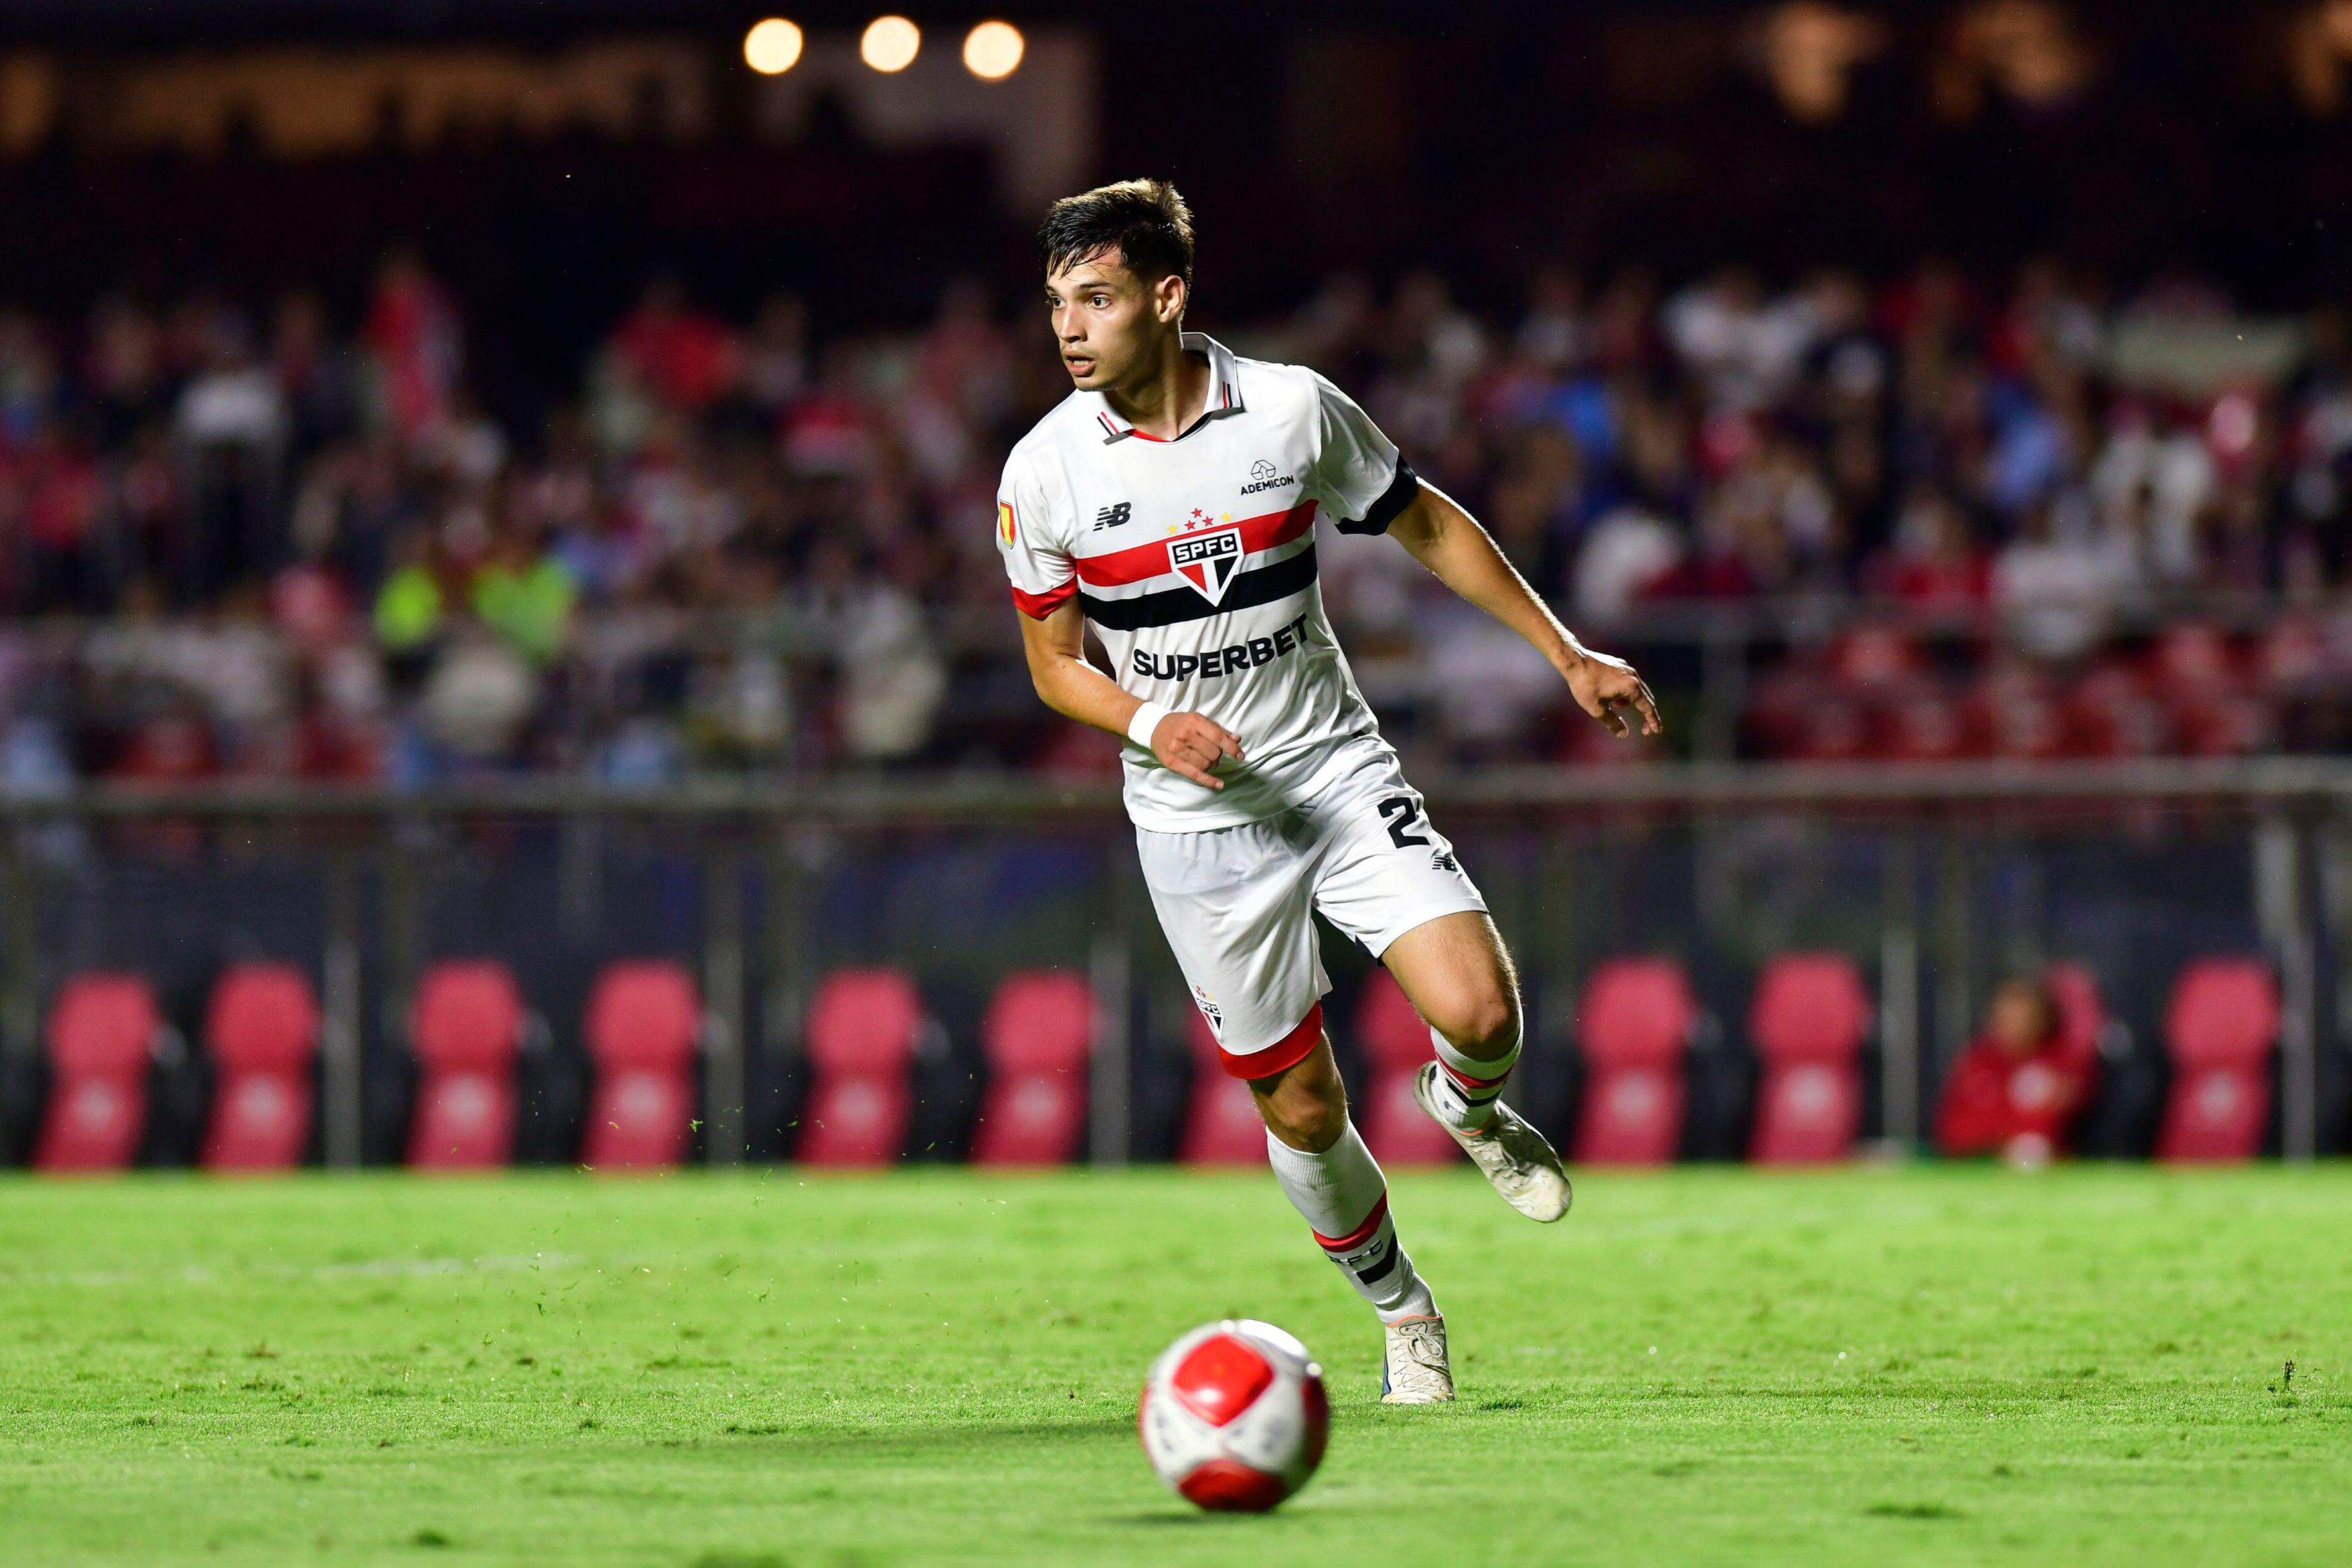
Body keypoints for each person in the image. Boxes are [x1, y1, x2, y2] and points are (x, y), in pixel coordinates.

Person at [994, 180, 1661, 1403]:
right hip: (1196, 822)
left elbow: (1427, 524)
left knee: (1481, 1013)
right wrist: (1147, 719)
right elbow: (1050, 663)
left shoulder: (1292, 410)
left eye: (1094, 297)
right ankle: (1403, 1310)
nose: (1069, 327)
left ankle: (1468, 1105)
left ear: (1166, 294)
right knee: (1300, 1105)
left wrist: (1564, 651)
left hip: (1332, 772)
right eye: (1055, 304)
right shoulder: (1044, 473)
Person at [1934, 977, 2089, 1166]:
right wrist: (1998, 1142)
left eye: (2025, 1018)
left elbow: (2049, 1132)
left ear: (2044, 1019)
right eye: (2008, 1018)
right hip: (1974, 1164)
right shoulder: (1977, 1060)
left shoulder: (2061, 1063)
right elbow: (1952, 1129)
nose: (2017, 1027)